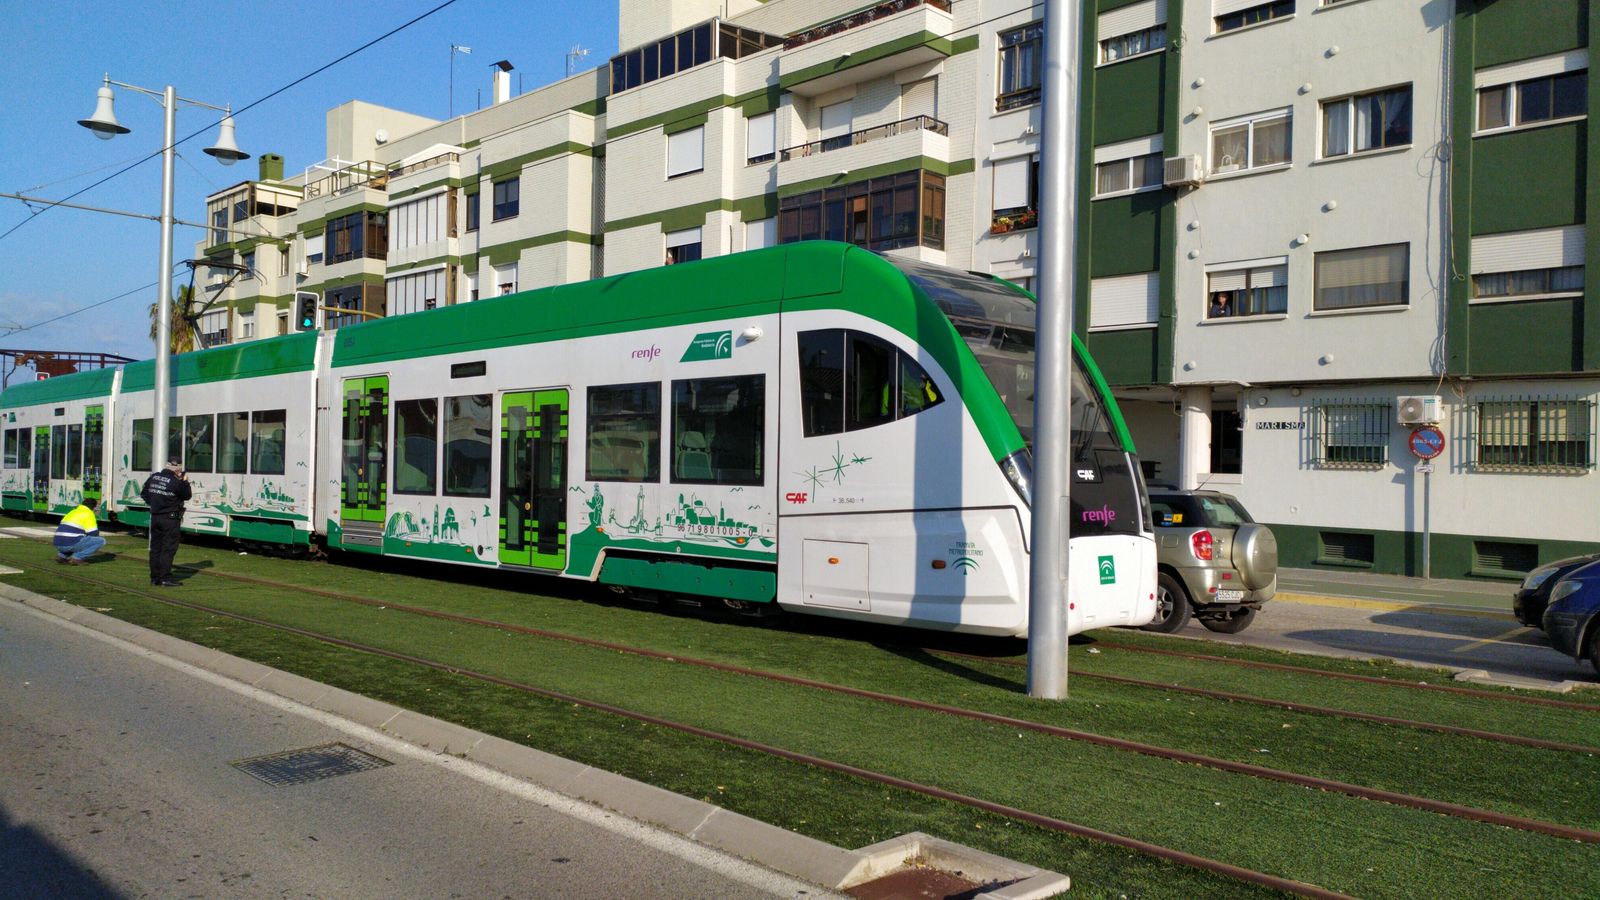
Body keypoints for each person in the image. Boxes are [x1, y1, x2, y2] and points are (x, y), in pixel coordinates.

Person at [141, 457, 191, 587]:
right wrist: (185, 481)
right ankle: (165, 578)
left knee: (155, 548)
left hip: (155, 516)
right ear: (178, 469)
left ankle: (154, 578)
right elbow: (187, 495)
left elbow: (144, 494)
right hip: (171, 518)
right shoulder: (176, 482)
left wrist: (155, 504)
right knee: (168, 548)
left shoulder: (154, 477)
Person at [53, 498, 105, 566]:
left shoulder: (73, 511)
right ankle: (77, 558)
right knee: (101, 541)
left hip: (57, 543)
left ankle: (62, 556)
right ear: (93, 507)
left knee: (75, 539)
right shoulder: (88, 513)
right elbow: (93, 533)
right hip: (70, 544)